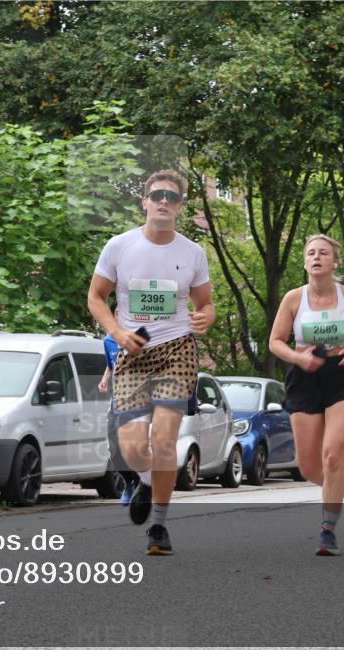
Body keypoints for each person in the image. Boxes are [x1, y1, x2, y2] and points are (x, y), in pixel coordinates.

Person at [87, 170, 214, 556]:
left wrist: (206, 316)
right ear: (144, 202)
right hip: (133, 353)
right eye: (156, 195)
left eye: (171, 197)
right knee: (132, 449)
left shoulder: (192, 253)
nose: (163, 201)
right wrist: (116, 331)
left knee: (163, 441)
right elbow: (96, 298)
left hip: (177, 350)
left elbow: (204, 304)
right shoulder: (119, 246)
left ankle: (158, 525)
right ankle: (142, 479)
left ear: (178, 206)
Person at [268, 234, 344, 556]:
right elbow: (275, 341)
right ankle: (335, 488)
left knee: (333, 454)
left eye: (323, 253)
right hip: (304, 375)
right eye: (310, 253)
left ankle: (328, 530)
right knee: (309, 467)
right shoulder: (294, 298)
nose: (316, 257)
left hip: (341, 374)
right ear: (305, 261)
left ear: (334, 262)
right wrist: (298, 357)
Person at [97, 328, 140, 504]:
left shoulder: (139, 337)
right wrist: (105, 379)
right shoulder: (108, 341)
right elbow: (111, 364)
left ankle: (141, 482)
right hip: (116, 403)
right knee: (114, 450)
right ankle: (129, 481)